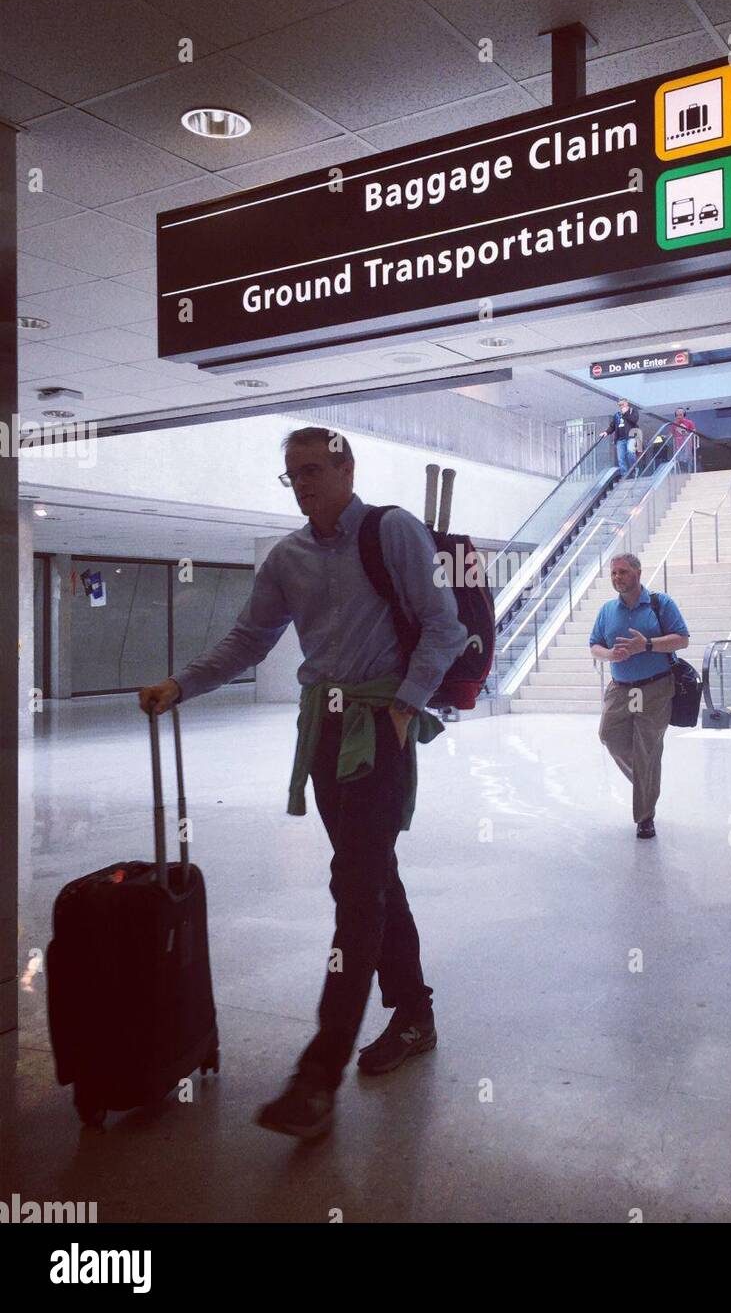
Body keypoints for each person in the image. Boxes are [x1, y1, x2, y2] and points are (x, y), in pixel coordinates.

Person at [138, 427, 468, 1140]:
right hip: (323, 732)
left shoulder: (393, 532)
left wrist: (407, 705)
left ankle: (317, 1078)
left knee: (354, 884)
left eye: (314, 468)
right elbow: (249, 639)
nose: (305, 482)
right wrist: (181, 683)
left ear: (348, 468)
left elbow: (444, 628)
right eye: (293, 474)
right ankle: (413, 1015)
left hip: (379, 726)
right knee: (374, 876)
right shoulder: (287, 557)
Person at [589, 553, 689, 841]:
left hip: (655, 688)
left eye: (622, 572)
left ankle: (645, 818)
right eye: (613, 573)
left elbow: (681, 639)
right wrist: (610, 654)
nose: (617, 577)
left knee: (646, 748)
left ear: (638, 573)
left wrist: (645, 645)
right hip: (622, 689)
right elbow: (594, 644)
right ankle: (646, 782)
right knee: (609, 735)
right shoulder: (607, 610)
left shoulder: (661, 604)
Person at [600, 398, 640, 475]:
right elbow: (612, 426)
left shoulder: (632, 411)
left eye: (622, 404)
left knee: (630, 453)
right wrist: (606, 432)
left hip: (631, 437)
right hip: (620, 439)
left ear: (627, 403)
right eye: (619, 405)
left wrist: (626, 413)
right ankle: (624, 474)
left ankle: (634, 469)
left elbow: (634, 420)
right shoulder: (617, 415)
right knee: (621, 458)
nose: (621, 406)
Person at [667, 407, 697, 472]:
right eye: (677, 415)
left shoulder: (689, 422)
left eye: (680, 415)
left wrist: (685, 432)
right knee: (678, 460)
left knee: (687, 459)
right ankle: (680, 473)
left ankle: (690, 472)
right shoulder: (674, 424)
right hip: (677, 446)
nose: (679, 417)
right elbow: (671, 434)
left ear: (684, 415)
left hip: (687, 445)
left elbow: (694, 433)